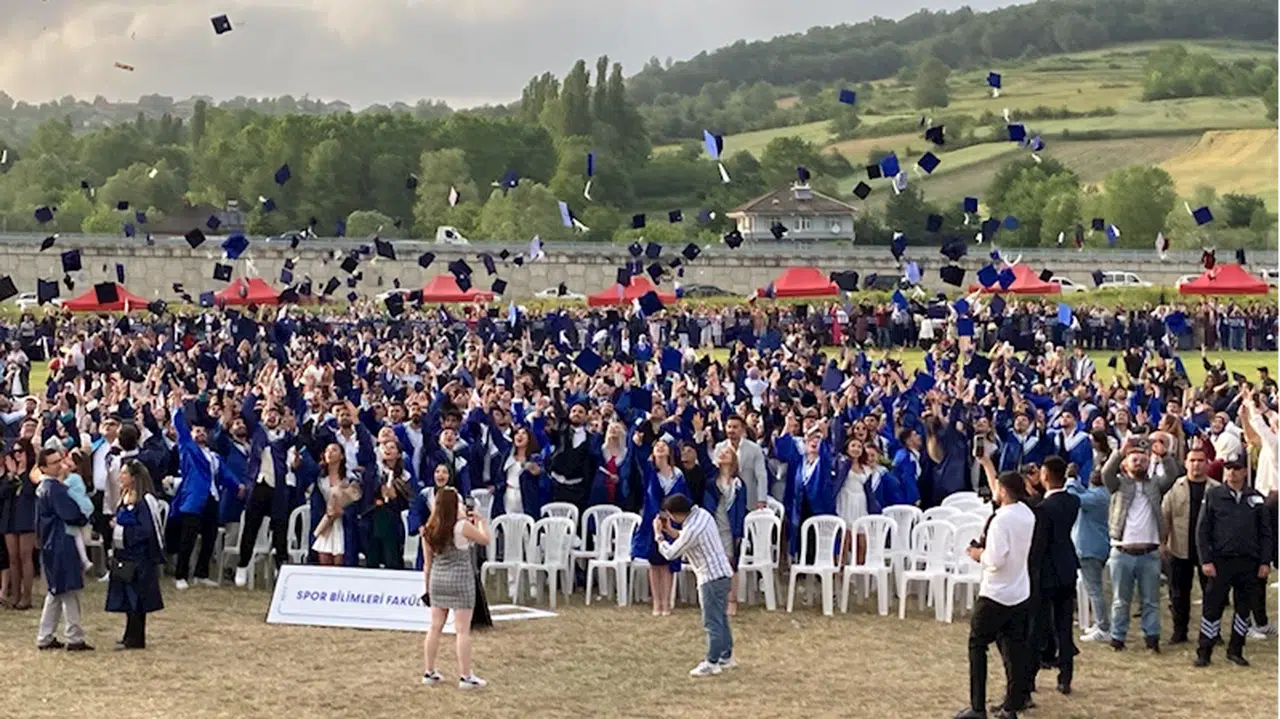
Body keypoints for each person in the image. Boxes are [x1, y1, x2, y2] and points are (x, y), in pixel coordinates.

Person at [955, 468, 1035, 719]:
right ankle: (1013, 704)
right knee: (1014, 649)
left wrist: (979, 555)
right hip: (1019, 589)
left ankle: (977, 706)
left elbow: (996, 559)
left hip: (996, 593)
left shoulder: (1002, 519)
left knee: (977, 645)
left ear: (1003, 491)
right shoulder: (1027, 514)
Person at [1194, 451, 1273, 667]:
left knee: (1243, 608)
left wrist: (1265, 561)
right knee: (1213, 607)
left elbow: (1266, 533)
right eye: (1228, 469)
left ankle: (1236, 649)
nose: (1232, 473)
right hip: (1221, 560)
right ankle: (1204, 651)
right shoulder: (1214, 495)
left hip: (1249, 562)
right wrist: (1206, 560)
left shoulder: (1255, 498)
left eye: (1236, 469)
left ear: (1245, 471)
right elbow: (1203, 530)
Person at [1101, 437, 1177, 652]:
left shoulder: (1155, 485)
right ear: (1125, 464)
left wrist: (1164, 455)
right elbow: (1107, 474)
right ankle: (1118, 637)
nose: (1139, 464)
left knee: (1151, 600)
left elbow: (1171, 475)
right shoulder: (1118, 485)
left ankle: (1152, 638)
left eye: (1143, 460)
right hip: (1121, 550)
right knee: (1120, 600)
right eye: (1134, 460)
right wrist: (1119, 453)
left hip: (1149, 552)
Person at [653, 493, 736, 678]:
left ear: (673, 514)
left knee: (711, 621)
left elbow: (671, 553)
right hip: (723, 573)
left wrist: (659, 535)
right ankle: (726, 655)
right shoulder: (703, 515)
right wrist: (670, 532)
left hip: (710, 578)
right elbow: (686, 538)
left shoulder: (692, 530)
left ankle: (712, 662)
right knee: (720, 618)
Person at [421, 486, 491, 690]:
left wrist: (428, 589)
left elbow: (427, 564)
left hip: (438, 579)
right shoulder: (461, 527)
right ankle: (465, 675)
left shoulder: (429, 528)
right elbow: (484, 540)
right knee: (462, 630)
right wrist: (481, 522)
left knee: (435, 626)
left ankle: (429, 671)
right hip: (460, 579)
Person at [1028, 456, 1080, 696]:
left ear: (1045, 476)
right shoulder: (1072, 501)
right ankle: (1065, 676)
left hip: (1046, 571)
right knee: (1064, 625)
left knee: (1037, 626)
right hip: (1067, 566)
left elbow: (1038, 545)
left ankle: (1029, 678)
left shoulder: (1042, 509)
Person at [34, 448, 93, 651]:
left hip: (50, 543)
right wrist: (83, 516)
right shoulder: (55, 489)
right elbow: (71, 513)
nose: (59, 464)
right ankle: (74, 636)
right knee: (69, 590)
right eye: (53, 462)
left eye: (60, 460)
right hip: (62, 541)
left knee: (56, 591)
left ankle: (45, 635)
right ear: (43, 467)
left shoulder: (43, 489)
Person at [105, 460, 165, 650]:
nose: (120, 477)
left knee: (137, 599)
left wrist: (122, 528)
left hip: (139, 557)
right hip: (126, 555)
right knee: (128, 599)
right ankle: (129, 634)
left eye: (124, 474)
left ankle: (136, 638)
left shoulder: (143, 501)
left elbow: (146, 530)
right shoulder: (125, 497)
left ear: (134, 477)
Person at [1161, 445, 1217, 644]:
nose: (1196, 465)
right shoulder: (1176, 488)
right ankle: (1179, 632)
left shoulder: (1216, 489)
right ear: (1186, 463)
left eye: (1200, 461)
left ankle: (1212, 633)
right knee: (1178, 595)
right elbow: (1165, 516)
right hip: (1179, 548)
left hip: (1209, 552)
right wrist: (1162, 543)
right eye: (1192, 460)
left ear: (1207, 463)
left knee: (1212, 594)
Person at [1067, 467, 1111, 644]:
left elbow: (1073, 499)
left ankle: (1103, 628)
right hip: (1092, 546)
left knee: (1095, 590)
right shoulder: (1097, 493)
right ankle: (1101, 623)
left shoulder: (1099, 496)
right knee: (1093, 588)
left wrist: (1070, 480)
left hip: (1091, 548)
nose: (1094, 474)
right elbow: (1083, 492)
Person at [702, 446, 746, 616]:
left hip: (730, 528)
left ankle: (731, 600)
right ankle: (714, 600)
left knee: (729, 564)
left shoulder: (739, 484)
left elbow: (741, 508)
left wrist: (739, 532)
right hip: (714, 527)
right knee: (714, 565)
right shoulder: (711, 482)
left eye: (727, 453)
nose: (722, 454)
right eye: (721, 453)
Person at [2, 445, 36, 609]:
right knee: (13, 558)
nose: (17, 455)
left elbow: (29, 491)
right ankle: (15, 595)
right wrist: (11, 474)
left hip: (26, 516)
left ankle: (27, 596)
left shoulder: (31, 473)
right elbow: (3, 493)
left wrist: (19, 474)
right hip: (10, 517)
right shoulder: (10, 475)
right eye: (14, 452)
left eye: (20, 452)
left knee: (25, 556)